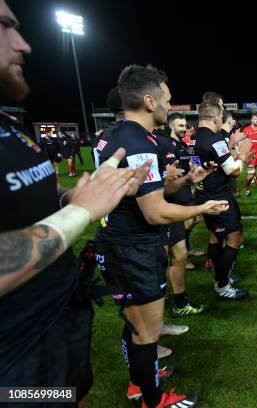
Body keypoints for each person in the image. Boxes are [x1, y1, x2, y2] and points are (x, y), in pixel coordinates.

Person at [0, 3, 152, 407]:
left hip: (56, 317)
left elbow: (23, 204)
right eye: (4, 27)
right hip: (12, 355)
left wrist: (72, 196)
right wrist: (80, 211)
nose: (24, 44)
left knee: (73, 395)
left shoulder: (11, 127)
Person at [95, 64, 228, 408]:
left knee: (136, 324)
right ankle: (153, 400)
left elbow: (143, 192)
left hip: (120, 243)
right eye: (168, 100)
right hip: (132, 247)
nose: (172, 106)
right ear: (150, 102)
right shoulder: (138, 140)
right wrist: (203, 207)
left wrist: (185, 182)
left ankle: (138, 383)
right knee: (146, 332)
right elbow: (155, 211)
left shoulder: (121, 134)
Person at [192, 102, 252, 300]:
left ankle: (219, 276)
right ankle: (222, 285)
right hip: (220, 197)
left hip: (203, 194)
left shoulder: (193, 137)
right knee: (235, 239)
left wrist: (231, 149)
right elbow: (233, 170)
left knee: (216, 237)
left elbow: (217, 162)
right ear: (216, 118)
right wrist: (242, 156)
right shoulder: (214, 138)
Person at [161, 112, 203, 317]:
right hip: (170, 202)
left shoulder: (184, 145)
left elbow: (186, 169)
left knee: (178, 253)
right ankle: (161, 301)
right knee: (166, 258)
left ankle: (178, 301)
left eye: (185, 125)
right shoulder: (165, 144)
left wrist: (191, 177)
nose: (184, 128)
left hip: (184, 193)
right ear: (171, 125)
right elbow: (167, 176)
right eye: (180, 125)